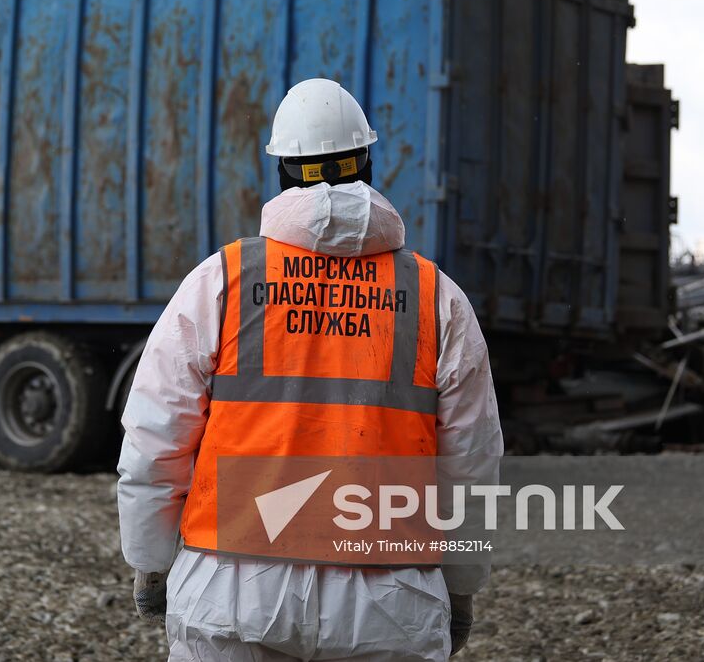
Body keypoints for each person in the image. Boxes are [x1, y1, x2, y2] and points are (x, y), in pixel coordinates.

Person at [117, 78, 502, 660]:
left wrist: (149, 562)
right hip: (389, 596)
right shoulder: (435, 296)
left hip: (232, 581)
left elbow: (155, 438)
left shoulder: (223, 281)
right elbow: (471, 461)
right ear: (367, 163)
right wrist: (463, 584)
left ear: (282, 172)